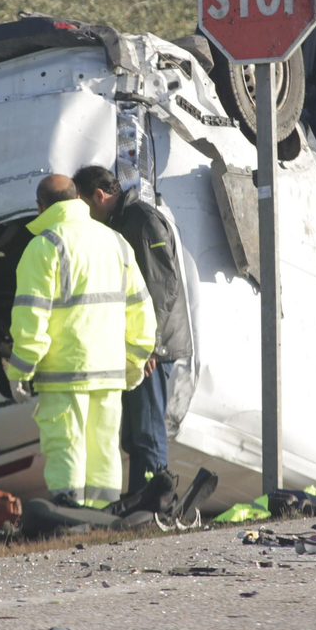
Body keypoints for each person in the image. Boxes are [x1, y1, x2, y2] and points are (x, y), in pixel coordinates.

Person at [8, 174, 156, 509]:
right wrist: (134, 362)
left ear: (40, 207)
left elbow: (32, 318)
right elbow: (141, 311)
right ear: (77, 198)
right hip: (109, 371)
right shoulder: (116, 243)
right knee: (104, 447)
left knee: (66, 444)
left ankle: (70, 517)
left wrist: (20, 371)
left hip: (64, 373)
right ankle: (102, 520)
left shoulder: (44, 246)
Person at [73, 165, 192, 498]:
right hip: (143, 345)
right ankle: (142, 503)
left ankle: (154, 507)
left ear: (99, 195)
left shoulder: (141, 220)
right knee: (135, 433)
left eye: (84, 204)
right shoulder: (123, 222)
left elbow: (162, 285)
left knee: (147, 431)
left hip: (155, 347)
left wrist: (148, 347)